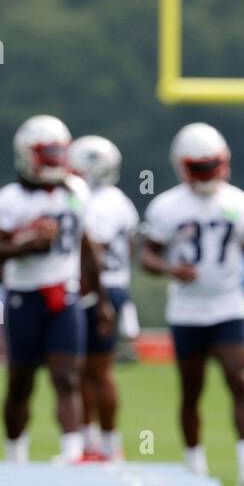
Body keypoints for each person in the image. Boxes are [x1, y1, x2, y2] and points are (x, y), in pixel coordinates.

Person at [140, 122, 244, 486]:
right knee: (192, 390)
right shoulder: (167, 207)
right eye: (199, 167)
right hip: (186, 310)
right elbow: (146, 256)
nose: (207, 175)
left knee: (239, 379)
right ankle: (195, 466)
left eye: (211, 166)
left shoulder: (240, 203)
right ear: (182, 166)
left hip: (228, 306)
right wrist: (171, 268)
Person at [0, 115, 112, 464]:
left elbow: (87, 248)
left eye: (59, 152)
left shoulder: (76, 192)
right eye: (48, 153)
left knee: (67, 376)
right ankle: (15, 456)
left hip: (65, 296)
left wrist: (100, 300)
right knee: (20, 383)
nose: (55, 160)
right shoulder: (8, 200)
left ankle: (71, 454)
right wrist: (27, 245)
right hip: (24, 297)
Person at [69, 135, 139, 460]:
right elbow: (131, 247)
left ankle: (100, 445)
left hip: (96, 290)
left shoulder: (87, 199)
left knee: (91, 371)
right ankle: (99, 444)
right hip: (112, 286)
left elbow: (92, 250)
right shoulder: (121, 201)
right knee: (92, 371)